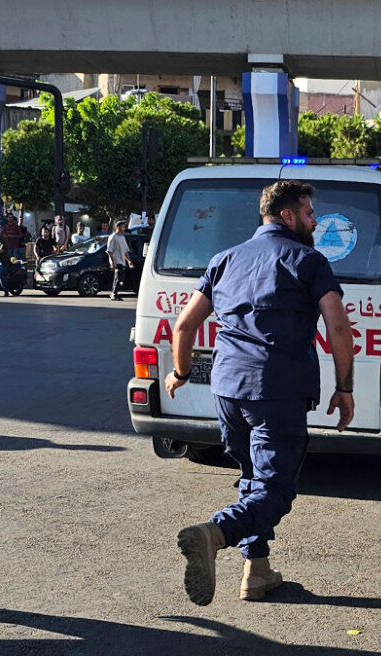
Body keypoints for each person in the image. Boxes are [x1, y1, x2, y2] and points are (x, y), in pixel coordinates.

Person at [166, 180, 355, 605]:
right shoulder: (308, 260)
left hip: (228, 390)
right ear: (288, 217)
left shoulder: (224, 259)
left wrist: (179, 372)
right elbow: (339, 327)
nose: (316, 219)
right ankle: (214, 533)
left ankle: (258, 571)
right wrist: (344, 387)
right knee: (274, 489)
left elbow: (184, 326)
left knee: (253, 478)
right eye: (309, 212)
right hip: (278, 389)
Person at [106, 220, 134, 301]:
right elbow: (109, 250)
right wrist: (112, 262)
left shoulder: (122, 237)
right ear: (118, 227)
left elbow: (125, 251)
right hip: (116, 260)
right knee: (119, 276)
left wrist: (129, 261)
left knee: (120, 277)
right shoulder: (113, 237)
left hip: (122, 261)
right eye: (122, 226)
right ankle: (114, 293)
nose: (124, 228)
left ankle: (114, 293)